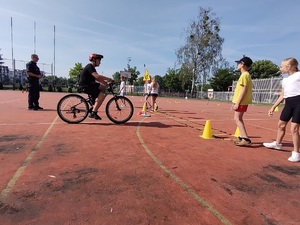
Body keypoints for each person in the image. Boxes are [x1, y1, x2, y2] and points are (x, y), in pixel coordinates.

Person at [263, 57, 300, 162]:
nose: (280, 68)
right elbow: (282, 95)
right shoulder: (285, 80)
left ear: (288, 67)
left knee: (295, 129)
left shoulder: (299, 75)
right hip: (288, 103)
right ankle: (277, 144)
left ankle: (296, 153)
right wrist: (273, 106)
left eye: (281, 66)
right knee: (281, 124)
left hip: (299, 102)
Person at [78, 53, 114, 120]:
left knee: (104, 87)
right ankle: (93, 112)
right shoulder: (90, 66)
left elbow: (98, 79)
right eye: (99, 60)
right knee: (103, 93)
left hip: (89, 85)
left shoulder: (92, 68)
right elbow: (97, 76)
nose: (100, 62)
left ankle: (93, 105)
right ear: (94, 60)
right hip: (85, 86)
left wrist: (106, 83)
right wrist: (109, 79)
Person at [232, 56, 253, 146]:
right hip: (242, 101)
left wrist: (237, 102)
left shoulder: (244, 75)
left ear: (243, 65)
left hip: (241, 102)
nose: (237, 65)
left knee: (237, 119)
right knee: (239, 118)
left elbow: (244, 90)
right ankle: (242, 137)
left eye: (239, 63)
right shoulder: (246, 75)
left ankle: (245, 138)